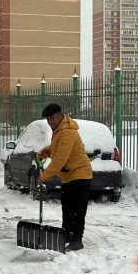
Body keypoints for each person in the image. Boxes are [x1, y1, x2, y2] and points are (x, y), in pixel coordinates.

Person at [37, 103, 93, 250]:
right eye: (48, 119)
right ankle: (66, 234)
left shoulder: (67, 132)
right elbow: (58, 149)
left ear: (60, 115)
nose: (50, 122)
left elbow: (60, 159)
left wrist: (44, 176)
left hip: (79, 174)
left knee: (77, 209)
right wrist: (47, 150)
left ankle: (77, 239)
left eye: (52, 118)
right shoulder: (59, 130)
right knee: (67, 207)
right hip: (69, 175)